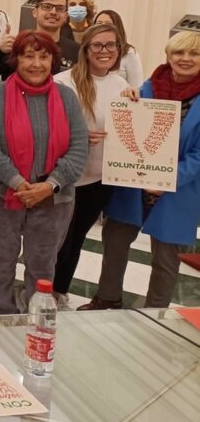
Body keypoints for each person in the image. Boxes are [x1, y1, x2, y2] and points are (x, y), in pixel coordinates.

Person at [79, 30, 200, 311]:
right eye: (178, 52)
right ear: (167, 56)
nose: (185, 58)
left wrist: (167, 179)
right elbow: (127, 129)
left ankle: (155, 313)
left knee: (166, 257)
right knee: (115, 241)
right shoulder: (148, 87)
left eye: (193, 53)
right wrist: (126, 99)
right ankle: (107, 297)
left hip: (177, 189)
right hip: (133, 185)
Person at [0, 31, 88, 315]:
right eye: (28, 56)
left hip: (54, 198)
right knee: (2, 262)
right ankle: (2, 316)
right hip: (3, 195)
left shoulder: (66, 97)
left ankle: (36, 320)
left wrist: (49, 185)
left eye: (43, 56)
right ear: (15, 59)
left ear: (53, 60)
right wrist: (20, 184)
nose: (36, 64)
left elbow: (79, 148)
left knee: (42, 264)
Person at [52, 23, 129, 303]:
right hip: (66, 177)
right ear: (86, 49)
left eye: (110, 45)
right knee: (59, 240)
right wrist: (80, 136)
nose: (104, 51)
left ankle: (59, 290)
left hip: (98, 179)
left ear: (119, 50)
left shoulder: (121, 85)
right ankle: (40, 291)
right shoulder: (64, 81)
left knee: (77, 239)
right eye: (97, 45)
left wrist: (137, 102)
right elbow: (49, 129)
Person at [0, 0, 79, 79]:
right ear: (35, 12)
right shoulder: (17, 45)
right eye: (47, 7)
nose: (53, 12)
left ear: (65, 16)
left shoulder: (76, 50)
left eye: (60, 8)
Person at [94, 10, 144, 88]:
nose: (102, 27)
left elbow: (137, 86)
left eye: (108, 24)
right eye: (99, 24)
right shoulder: (90, 50)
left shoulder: (130, 53)